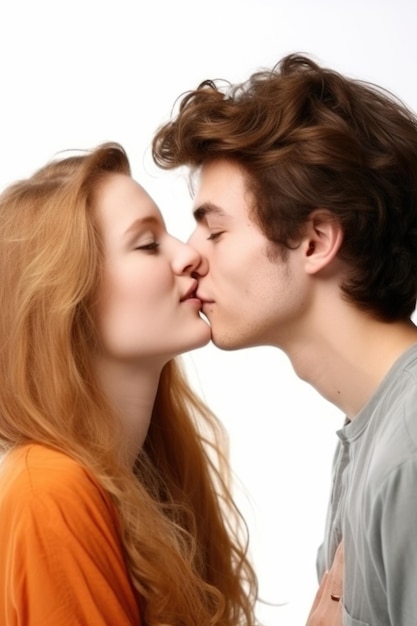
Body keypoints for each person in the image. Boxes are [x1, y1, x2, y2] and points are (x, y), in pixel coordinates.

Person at [152, 53, 417, 625]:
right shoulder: (369, 435)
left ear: (316, 241)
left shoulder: (409, 454)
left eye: (216, 229)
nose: (190, 254)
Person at [0, 142, 258, 626]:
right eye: (147, 243)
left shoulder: (145, 479)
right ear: (67, 301)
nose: (190, 254)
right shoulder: (48, 491)